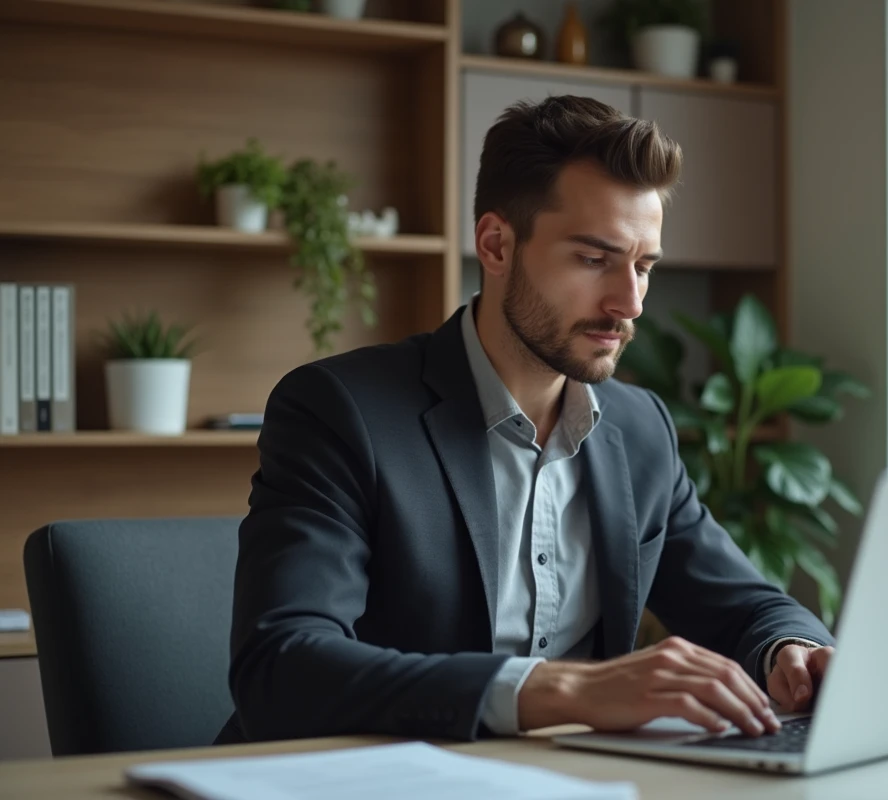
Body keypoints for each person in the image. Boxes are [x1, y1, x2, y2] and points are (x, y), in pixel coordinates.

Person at [215, 95, 835, 746]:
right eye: (594, 259)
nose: (630, 302)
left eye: (644, 266)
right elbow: (280, 668)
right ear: (495, 244)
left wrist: (791, 649)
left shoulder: (640, 428)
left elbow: (744, 603)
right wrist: (562, 689)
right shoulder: (340, 410)